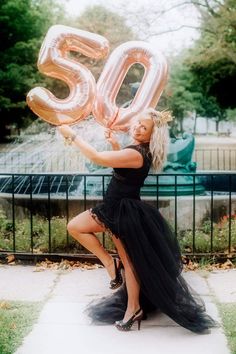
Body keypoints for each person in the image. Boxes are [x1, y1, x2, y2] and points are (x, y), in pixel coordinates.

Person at [58, 108, 218, 333]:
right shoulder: (134, 150)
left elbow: (97, 158)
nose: (137, 128)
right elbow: (119, 168)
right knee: (75, 226)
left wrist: (72, 135)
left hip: (124, 213)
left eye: (144, 128)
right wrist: (115, 145)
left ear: (152, 135)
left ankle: (133, 308)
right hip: (113, 208)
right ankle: (110, 263)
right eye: (137, 123)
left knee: (131, 264)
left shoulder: (137, 153)